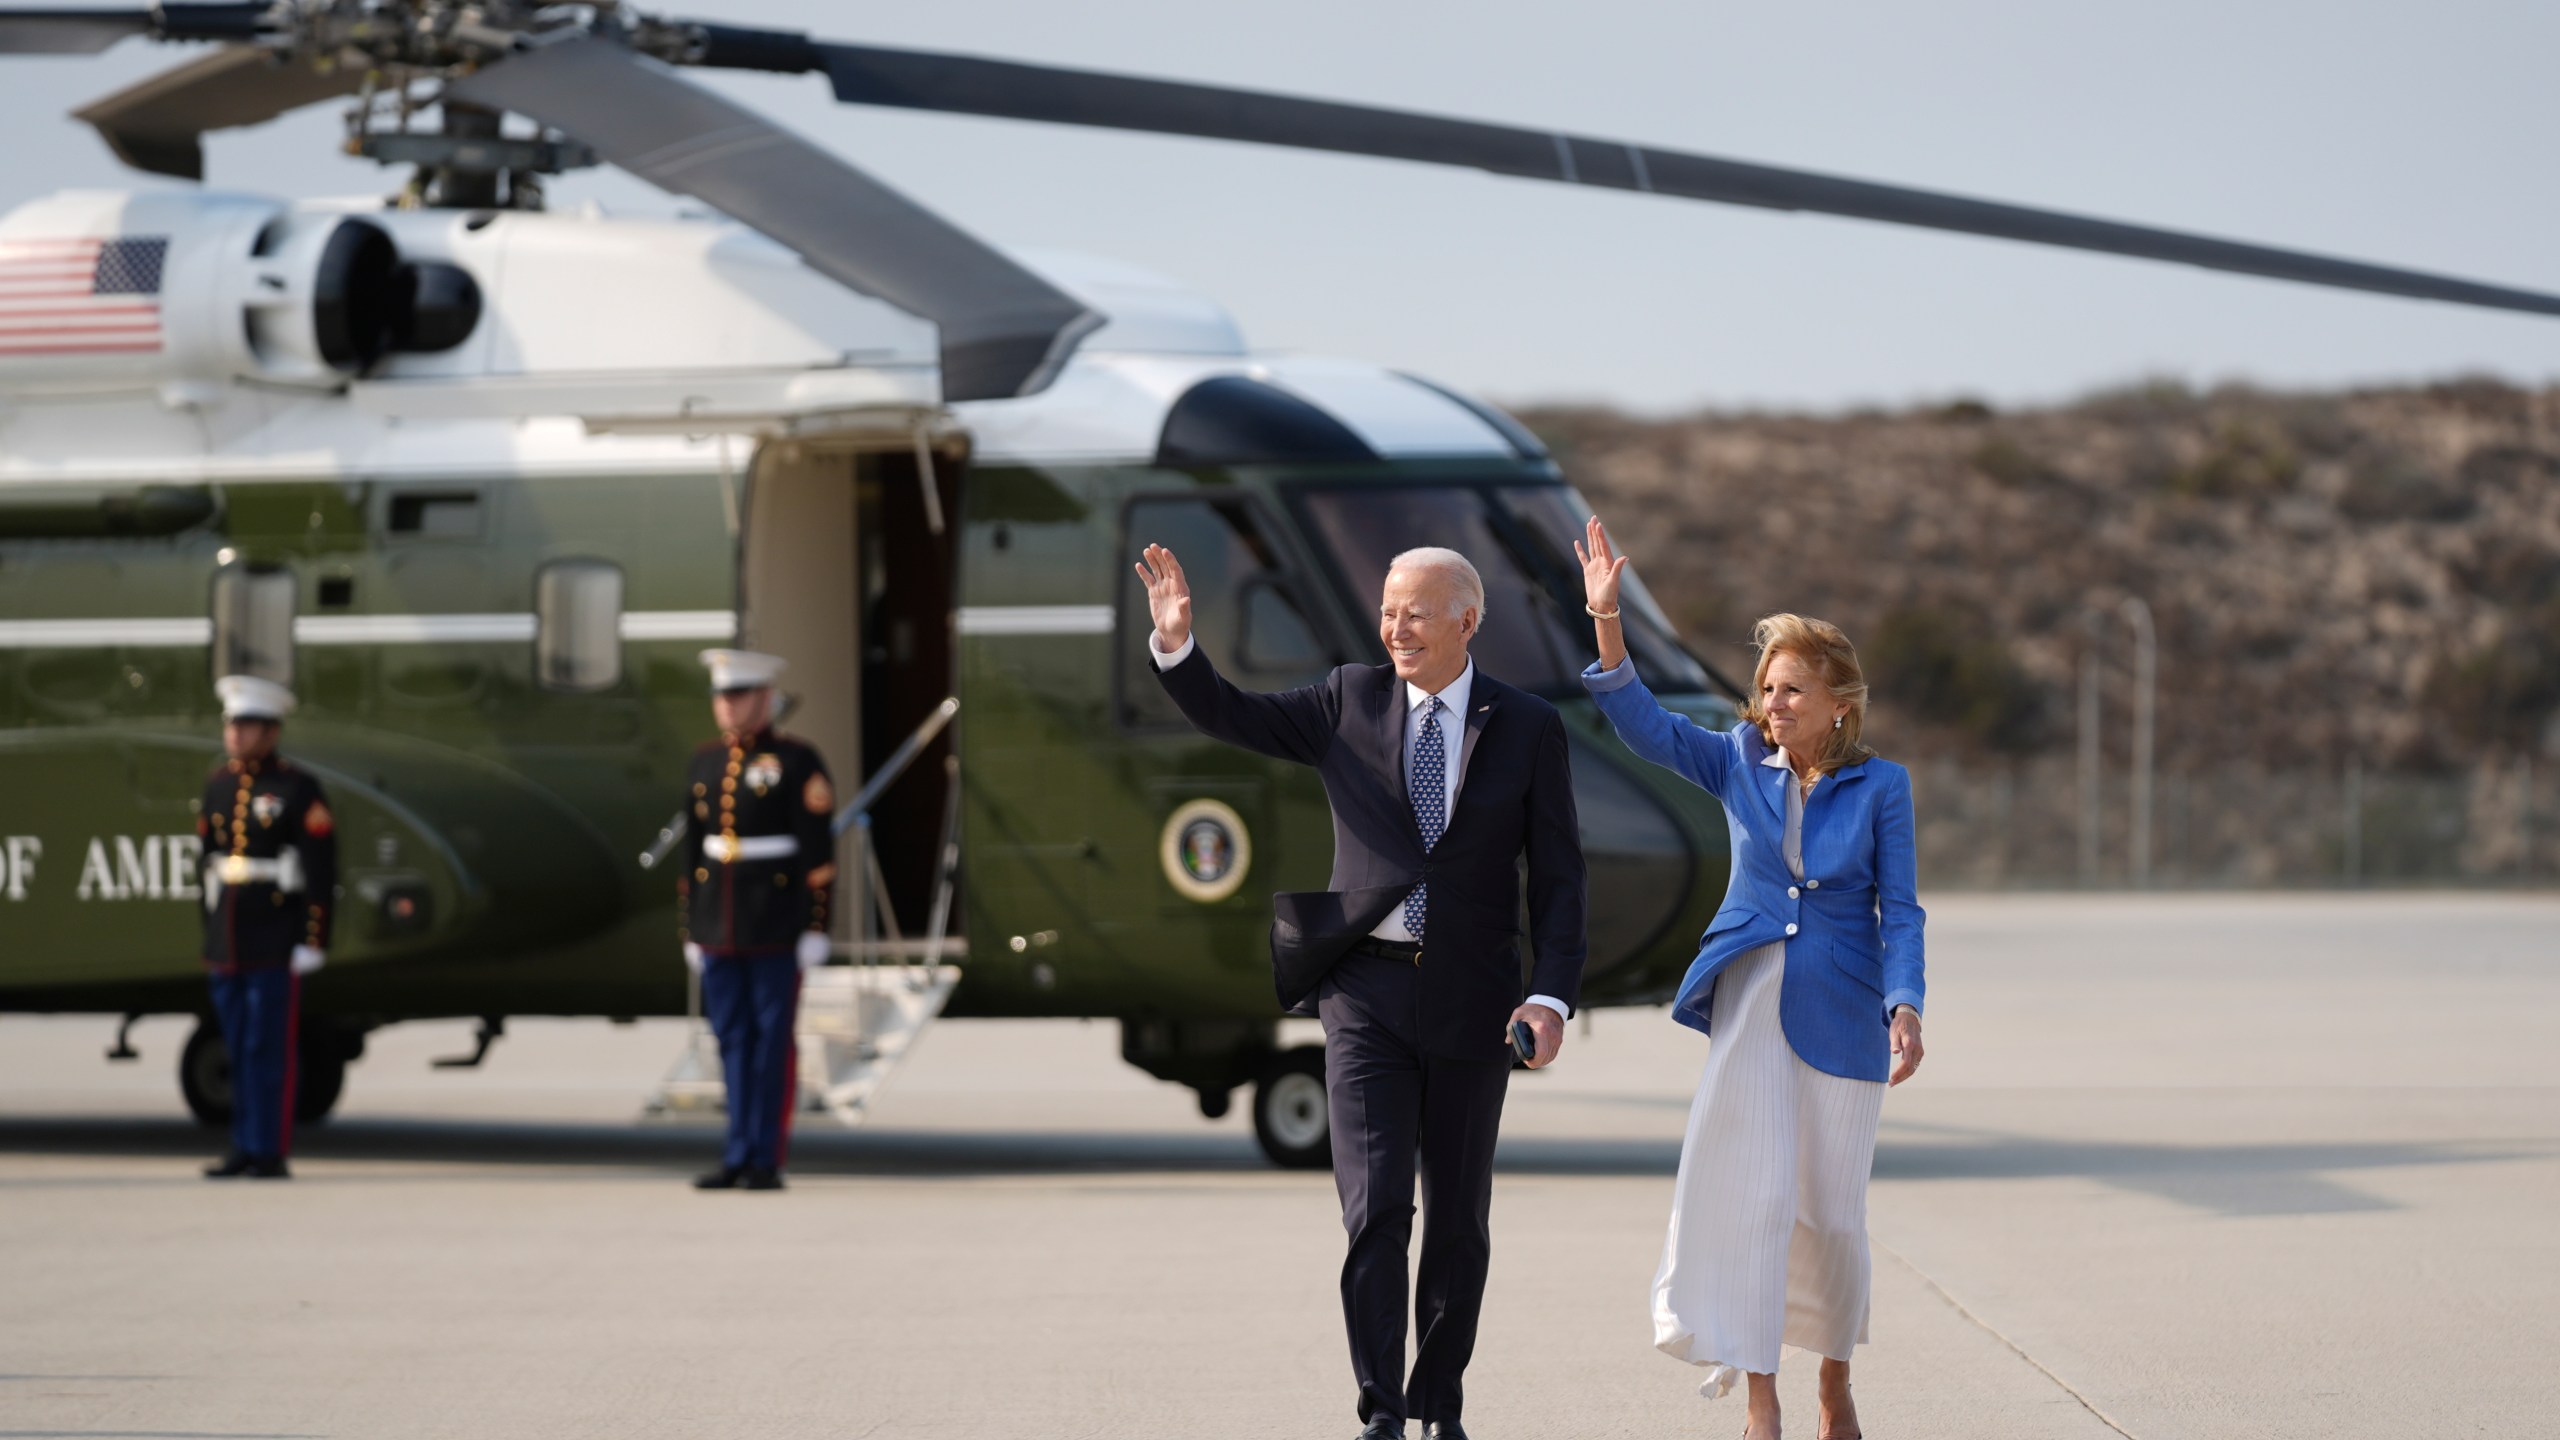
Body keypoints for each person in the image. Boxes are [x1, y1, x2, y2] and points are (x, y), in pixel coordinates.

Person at [1134, 542, 1586, 1440]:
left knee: (1459, 1224)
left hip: (1475, 1003)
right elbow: (1235, 716)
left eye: (1415, 611)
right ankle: (1381, 1410)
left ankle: (1438, 1407)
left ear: (1467, 619)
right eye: (1387, 610)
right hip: (1364, 1000)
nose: (1395, 626)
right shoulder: (1347, 697)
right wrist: (1179, 648)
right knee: (1377, 1211)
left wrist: (1552, 997)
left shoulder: (1528, 726)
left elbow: (1563, 881)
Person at [1573, 517, 1924, 1440]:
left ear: (1838, 702)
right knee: (1759, 1201)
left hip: (1846, 1009)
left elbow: (1904, 910)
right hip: (1752, 999)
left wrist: (1906, 1003)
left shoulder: (1883, 787)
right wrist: (1606, 622)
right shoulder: (1736, 762)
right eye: (1767, 688)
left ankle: (1834, 1381)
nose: (1774, 703)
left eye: (1793, 689)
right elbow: (1642, 724)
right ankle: (1763, 1403)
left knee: (1833, 1217)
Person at [678, 649, 836, 1192]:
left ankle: (767, 1157)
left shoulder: (796, 761)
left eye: (738, 695)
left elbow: (818, 855)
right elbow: (693, 857)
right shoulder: (705, 762)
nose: (727, 706)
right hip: (719, 925)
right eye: (721, 697)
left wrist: (815, 927)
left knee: (771, 1043)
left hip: (774, 921)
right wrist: (693, 930)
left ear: (765, 699)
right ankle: (736, 1152)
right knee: (730, 1040)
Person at [196, 675, 337, 1181]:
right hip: (228, 939)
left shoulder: (296, 789)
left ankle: (269, 1150)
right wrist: (209, 935)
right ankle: (242, 1145)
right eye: (232, 725)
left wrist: (312, 938)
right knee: (236, 1047)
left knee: (267, 1050)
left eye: (247, 725)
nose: (236, 734)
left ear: (271, 732)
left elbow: (320, 869)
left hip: (274, 937)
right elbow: (206, 863)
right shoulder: (218, 785)